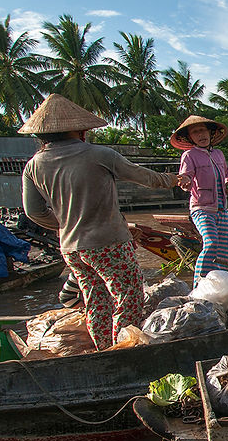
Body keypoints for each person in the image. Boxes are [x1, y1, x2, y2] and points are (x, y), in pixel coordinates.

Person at [20, 94, 187, 350]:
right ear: (77, 129)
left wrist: (65, 224)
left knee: (96, 300)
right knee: (129, 297)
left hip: (72, 249)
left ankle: (102, 350)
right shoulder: (99, 154)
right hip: (107, 243)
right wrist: (174, 180)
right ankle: (122, 351)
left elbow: (34, 212)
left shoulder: (34, 165)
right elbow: (143, 177)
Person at [171, 115, 228, 287]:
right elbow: (186, 176)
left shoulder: (218, 154)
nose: (200, 134)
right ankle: (199, 283)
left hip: (221, 208)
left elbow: (227, 175)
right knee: (210, 242)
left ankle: (221, 286)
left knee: (223, 252)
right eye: (195, 132)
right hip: (201, 208)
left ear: (210, 133)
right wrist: (184, 181)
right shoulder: (189, 155)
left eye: (202, 130)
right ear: (190, 137)